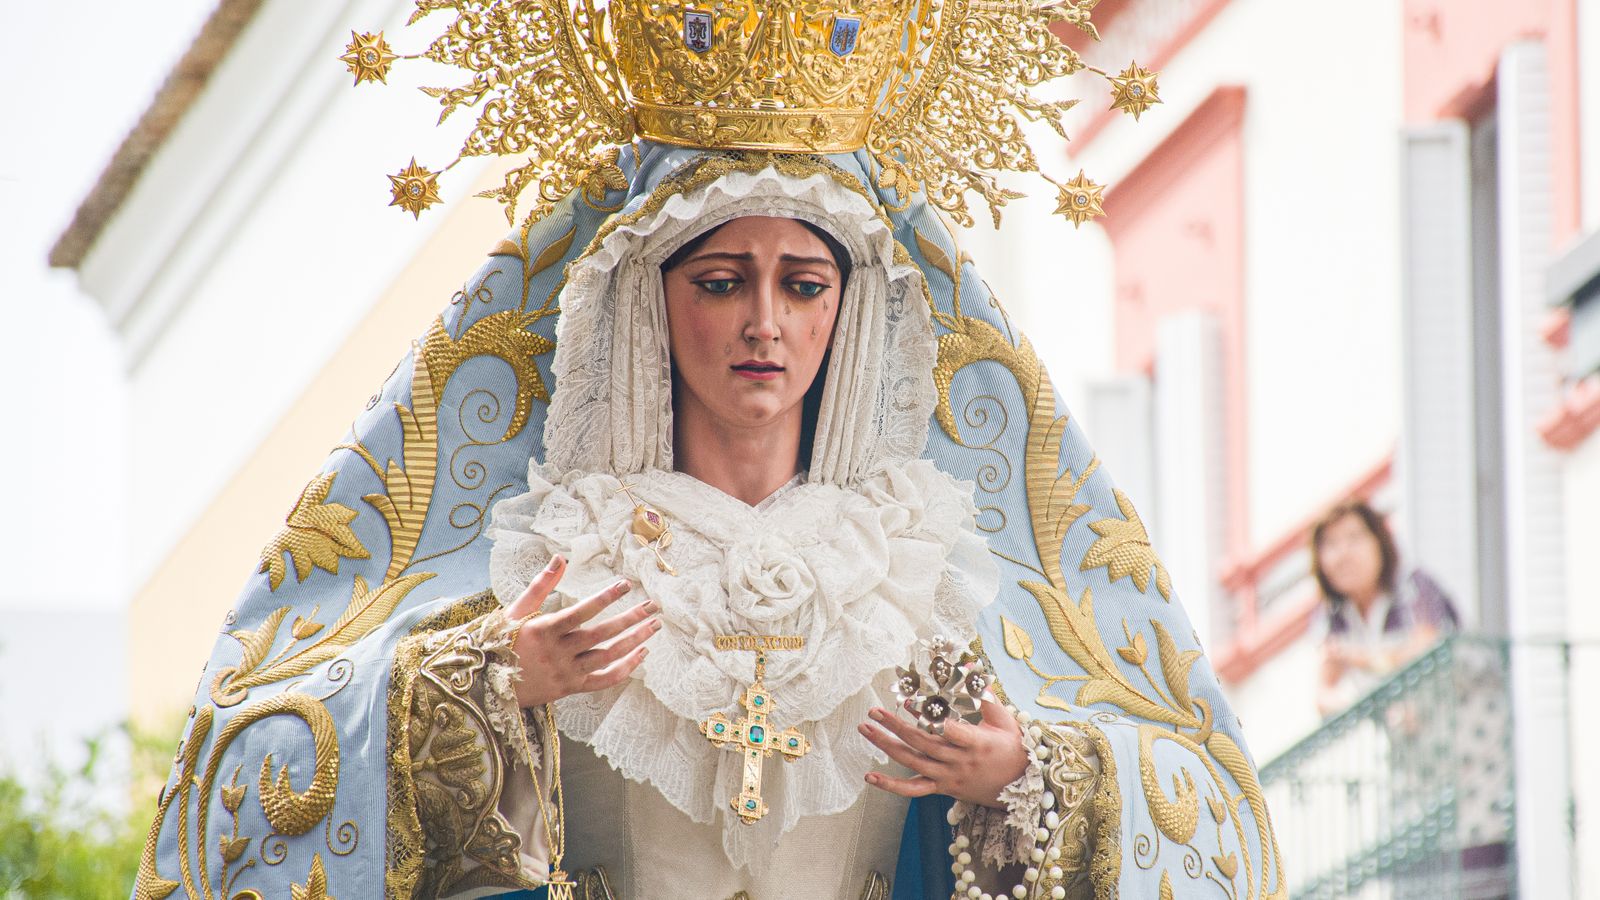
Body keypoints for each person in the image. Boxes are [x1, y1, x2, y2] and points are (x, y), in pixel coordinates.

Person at [131, 5, 1285, 900]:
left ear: (852, 312)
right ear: (648, 299)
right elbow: (256, 747)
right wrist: (484, 688)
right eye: (722, 281)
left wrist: (1024, 775)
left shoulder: (929, 571)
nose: (764, 325)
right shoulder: (544, 559)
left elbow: (1196, 790)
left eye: (804, 283)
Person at [1312, 500, 1459, 717]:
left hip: (1460, 716)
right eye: (1331, 544)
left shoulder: (1412, 586)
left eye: (1354, 538)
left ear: (1379, 542)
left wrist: (1362, 659)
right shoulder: (1331, 616)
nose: (1343, 554)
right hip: (1406, 736)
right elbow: (1323, 695)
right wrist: (1360, 706)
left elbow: (1427, 650)